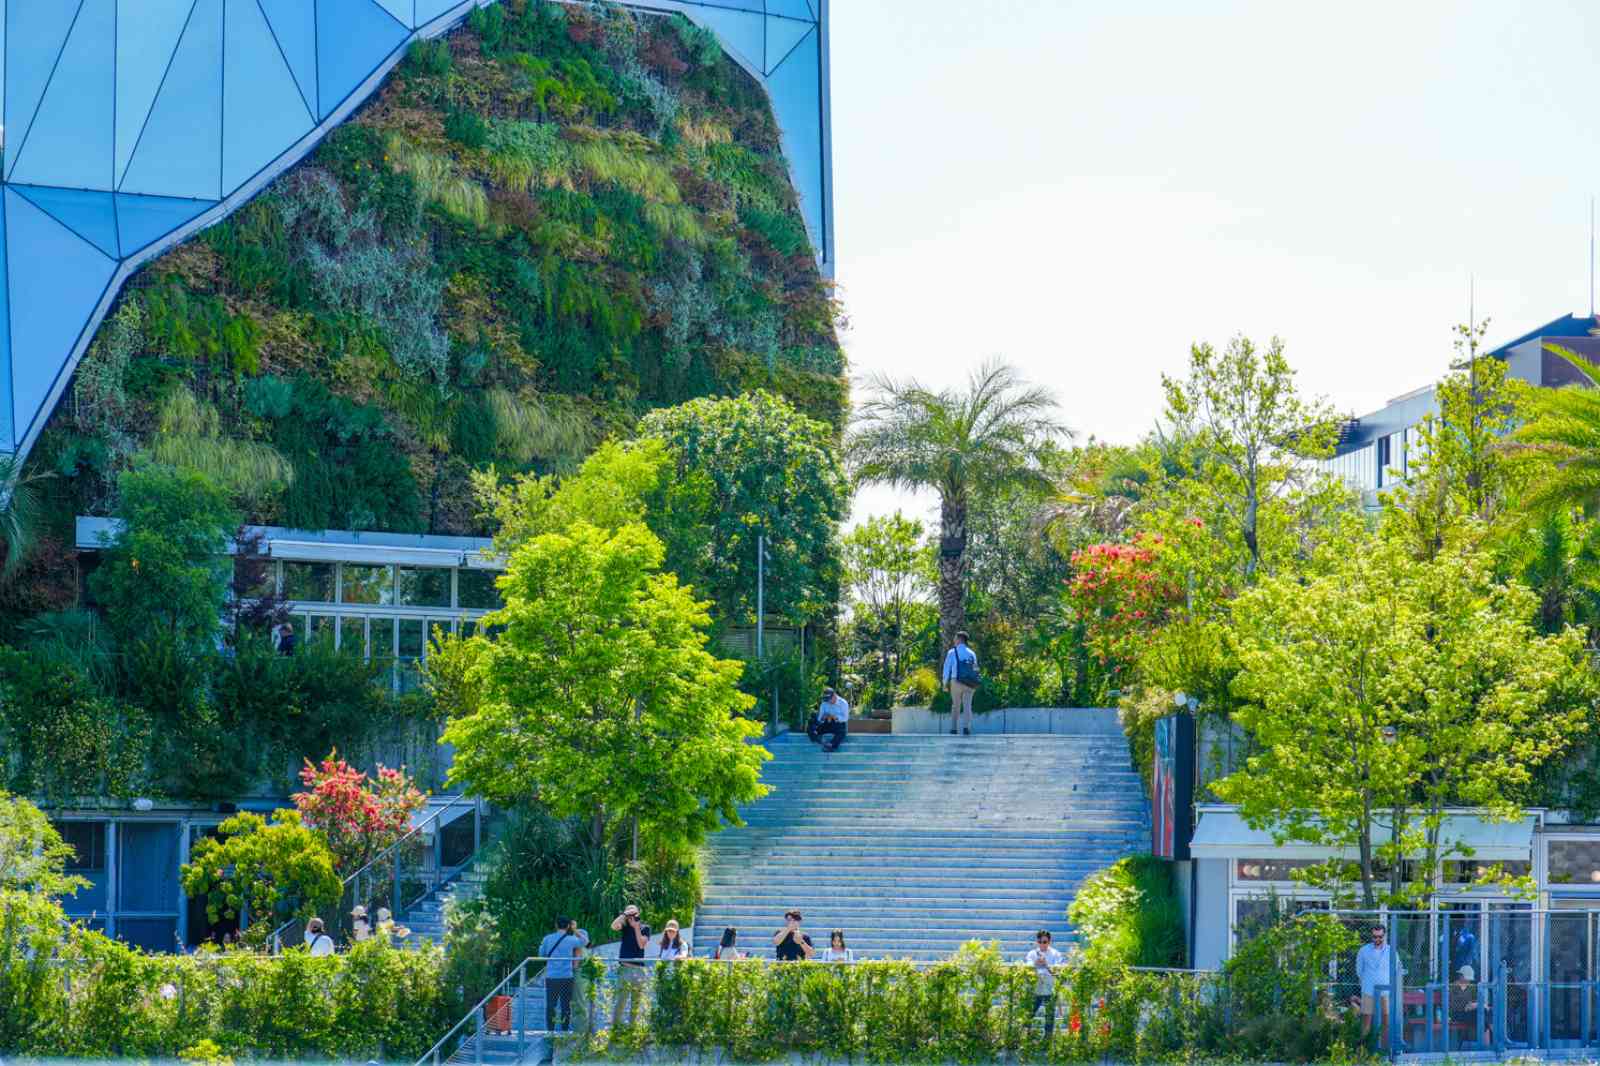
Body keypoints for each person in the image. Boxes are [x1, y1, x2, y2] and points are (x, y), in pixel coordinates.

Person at [1355, 924, 1404, 1048]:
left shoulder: (1391, 951)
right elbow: (1359, 970)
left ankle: (1383, 1048)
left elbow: (1396, 969)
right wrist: (1366, 981)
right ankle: (1364, 1049)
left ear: (1384, 935)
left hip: (1386, 991)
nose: (1377, 939)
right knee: (1367, 1018)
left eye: (1380, 936)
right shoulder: (1363, 950)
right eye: (1374, 937)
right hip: (1368, 990)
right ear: (1371, 936)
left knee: (1386, 1019)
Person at [539, 916, 589, 1033]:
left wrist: (542, 946)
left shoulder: (547, 938)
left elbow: (542, 954)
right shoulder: (572, 940)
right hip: (567, 976)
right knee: (565, 1005)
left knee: (551, 1005)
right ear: (568, 926)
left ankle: (550, 1031)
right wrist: (575, 930)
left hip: (551, 977)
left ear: (556, 925)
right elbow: (585, 942)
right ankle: (564, 1030)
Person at [611, 904, 650, 1029]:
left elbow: (641, 945)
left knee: (636, 1001)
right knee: (621, 1000)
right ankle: (616, 1027)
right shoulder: (624, 926)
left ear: (639, 913)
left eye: (634, 913)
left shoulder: (645, 928)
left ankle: (632, 1028)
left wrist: (636, 927)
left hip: (639, 970)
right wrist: (624, 915)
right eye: (630, 914)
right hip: (625, 968)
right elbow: (613, 926)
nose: (632, 916)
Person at [1025, 930, 1064, 1037]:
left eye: (1045, 942)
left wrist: (1046, 965)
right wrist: (1034, 964)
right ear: (1037, 942)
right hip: (1035, 987)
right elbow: (1027, 970)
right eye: (1040, 941)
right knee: (1029, 1014)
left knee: (1049, 1016)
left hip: (1049, 987)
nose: (1042, 944)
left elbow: (1057, 972)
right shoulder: (1032, 953)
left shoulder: (1056, 954)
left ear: (1049, 941)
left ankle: (1047, 1040)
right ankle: (1026, 1037)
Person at [941, 631, 980, 735]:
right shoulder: (972, 653)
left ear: (959, 639)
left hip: (956, 681)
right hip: (970, 683)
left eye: (955, 638)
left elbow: (946, 668)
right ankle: (966, 728)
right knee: (968, 705)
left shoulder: (952, 652)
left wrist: (944, 683)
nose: (954, 640)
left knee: (956, 705)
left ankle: (954, 729)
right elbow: (976, 669)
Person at [1449, 965, 1491, 1046]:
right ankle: (1486, 1045)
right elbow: (1453, 1005)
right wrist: (1466, 1007)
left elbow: (1476, 1001)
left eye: (1469, 979)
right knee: (1483, 1016)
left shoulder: (1472, 987)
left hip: (1471, 1012)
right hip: (1458, 1014)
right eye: (1466, 978)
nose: (1468, 981)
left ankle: (1485, 1045)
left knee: (1484, 1013)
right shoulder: (1453, 987)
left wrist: (1474, 1005)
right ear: (1460, 976)